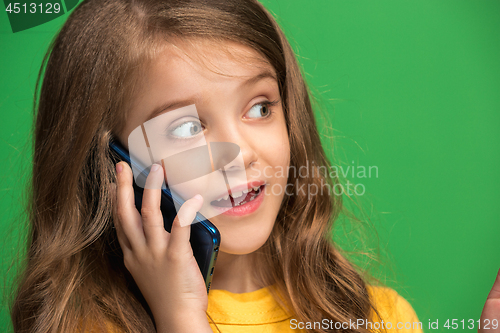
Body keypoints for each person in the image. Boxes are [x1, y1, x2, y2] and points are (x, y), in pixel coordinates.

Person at [9, 0, 499, 332]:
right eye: (185, 128)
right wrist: (181, 320)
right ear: (113, 166)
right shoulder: (87, 325)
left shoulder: (377, 315)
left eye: (260, 107)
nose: (239, 151)